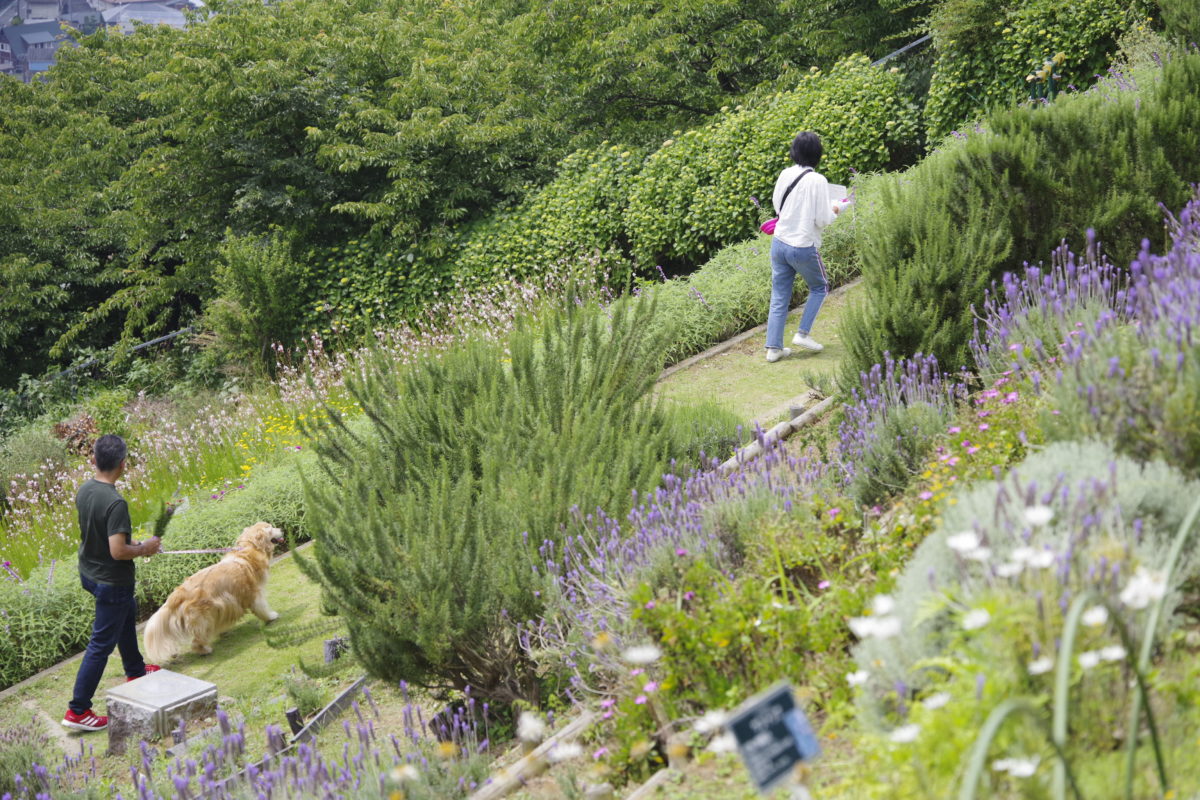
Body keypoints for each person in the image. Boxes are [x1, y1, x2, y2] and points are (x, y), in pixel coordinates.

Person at [63, 434, 162, 732]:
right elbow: (118, 551)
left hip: (90, 573)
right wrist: (145, 548)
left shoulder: (85, 490)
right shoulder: (116, 502)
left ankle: (134, 669)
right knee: (101, 644)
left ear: (94, 460)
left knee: (127, 612)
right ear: (122, 464)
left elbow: (104, 536)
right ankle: (78, 709)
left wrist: (136, 543)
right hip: (111, 581)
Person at [764, 131, 846, 363]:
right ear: (817, 154)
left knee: (779, 295)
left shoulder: (785, 173)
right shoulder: (817, 180)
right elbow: (823, 219)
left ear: (795, 151)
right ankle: (802, 334)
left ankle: (774, 348)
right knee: (820, 287)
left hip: (779, 242)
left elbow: (776, 204)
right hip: (802, 245)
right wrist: (837, 208)